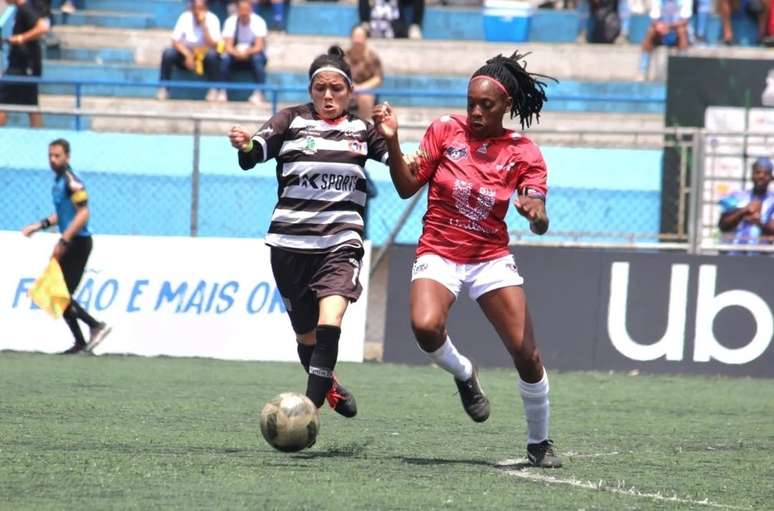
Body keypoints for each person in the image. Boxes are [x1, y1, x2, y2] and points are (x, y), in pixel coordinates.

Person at [372, 51, 562, 468]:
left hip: (490, 259)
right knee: (424, 327)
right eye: (470, 102)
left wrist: (537, 215)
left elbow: (539, 216)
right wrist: (390, 139)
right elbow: (407, 187)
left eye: (486, 105)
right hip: (439, 249)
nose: (475, 111)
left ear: (506, 105)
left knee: (526, 354)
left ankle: (540, 442)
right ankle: (464, 373)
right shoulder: (444, 130)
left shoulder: (524, 152)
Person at [227, 46, 390, 419]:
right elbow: (256, 152)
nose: (328, 96)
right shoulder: (290, 120)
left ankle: (308, 412)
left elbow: (400, 165)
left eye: (336, 88)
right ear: (311, 90)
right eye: (320, 89)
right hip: (289, 245)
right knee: (306, 337)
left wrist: (396, 141)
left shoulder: (362, 131)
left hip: (340, 242)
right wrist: (246, 144)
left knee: (329, 323)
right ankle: (328, 385)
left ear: (350, 92)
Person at [21, 139, 112, 355]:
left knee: (61, 293)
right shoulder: (58, 182)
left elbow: (84, 213)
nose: (53, 160)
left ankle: (96, 326)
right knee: (57, 293)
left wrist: (63, 241)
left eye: (57, 156)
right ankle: (81, 342)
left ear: (67, 157)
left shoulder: (73, 182)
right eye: (50, 156)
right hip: (71, 242)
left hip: (78, 243)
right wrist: (40, 225)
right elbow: (62, 215)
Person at [156, 0, 222, 102]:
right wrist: (188, 54)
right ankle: (164, 88)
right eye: (195, 8)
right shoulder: (184, 17)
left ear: (205, 9)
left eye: (200, 9)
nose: (197, 12)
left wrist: (204, 26)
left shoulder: (213, 19)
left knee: (212, 56)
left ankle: (214, 89)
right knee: (168, 54)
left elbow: (214, 45)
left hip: (203, 56)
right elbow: (175, 41)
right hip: (185, 54)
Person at [0, 0, 48, 128]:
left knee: (3, 102)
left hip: (23, 67)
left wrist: (21, 38)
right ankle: (38, 136)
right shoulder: (21, 10)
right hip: (24, 65)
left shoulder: (25, 8)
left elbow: (42, 27)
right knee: (31, 105)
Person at [217, 0, 268, 105]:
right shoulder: (230, 22)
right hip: (235, 53)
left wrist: (246, 52)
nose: (244, 14)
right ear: (238, 10)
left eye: (246, 11)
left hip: (252, 53)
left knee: (257, 59)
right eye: (241, 11)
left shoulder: (259, 22)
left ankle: (259, 92)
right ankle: (222, 91)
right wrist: (237, 53)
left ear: (251, 10)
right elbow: (228, 46)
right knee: (225, 59)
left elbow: (259, 46)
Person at [718, 157, 774, 247]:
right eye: (757, 172)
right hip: (733, 254)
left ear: (771, 177)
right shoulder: (736, 196)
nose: (761, 176)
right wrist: (744, 211)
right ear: (752, 175)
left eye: (766, 174)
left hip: (763, 256)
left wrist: (758, 221)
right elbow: (723, 226)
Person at [637, 0, 692, 80]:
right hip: (661, 33)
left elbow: (685, 21)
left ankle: (682, 69)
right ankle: (642, 69)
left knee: (682, 31)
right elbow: (654, 20)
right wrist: (659, 26)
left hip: (675, 32)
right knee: (650, 31)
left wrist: (668, 26)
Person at [345, 25, 383, 120]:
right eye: (356, 37)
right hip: (348, 89)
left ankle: (366, 128)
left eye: (360, 37)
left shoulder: (372, 57)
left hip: (365, 91)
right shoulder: (344, 57)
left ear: (365, 39)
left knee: (365, 96)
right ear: (351, 38)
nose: (358, 40)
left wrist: (361, 88)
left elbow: (377, 78)